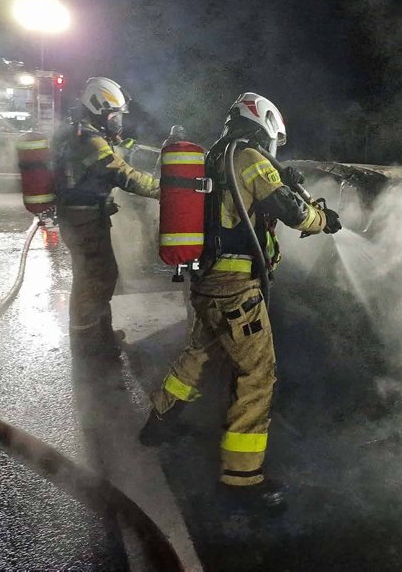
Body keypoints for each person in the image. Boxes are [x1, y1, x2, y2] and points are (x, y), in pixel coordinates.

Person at [138, 92, 341, 514]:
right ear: (264, 124)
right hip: (237, 290)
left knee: (199, 353)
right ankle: (242, 479)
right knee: (257, 374)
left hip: (207, 282)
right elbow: (289, 210)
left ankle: (158, 422)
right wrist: (322, 219)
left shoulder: (216, 155)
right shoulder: (248, 157)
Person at [53, 76, 160, 358]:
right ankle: (88, 343)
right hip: (83, 220)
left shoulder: (79, 133)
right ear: (99, 109)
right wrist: (163, 188)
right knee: (92, 280)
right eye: (115, 115)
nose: (118, 121)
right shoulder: (90, 139)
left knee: (100, 276)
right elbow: (121, 173)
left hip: (82, 217)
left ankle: (100, 334)